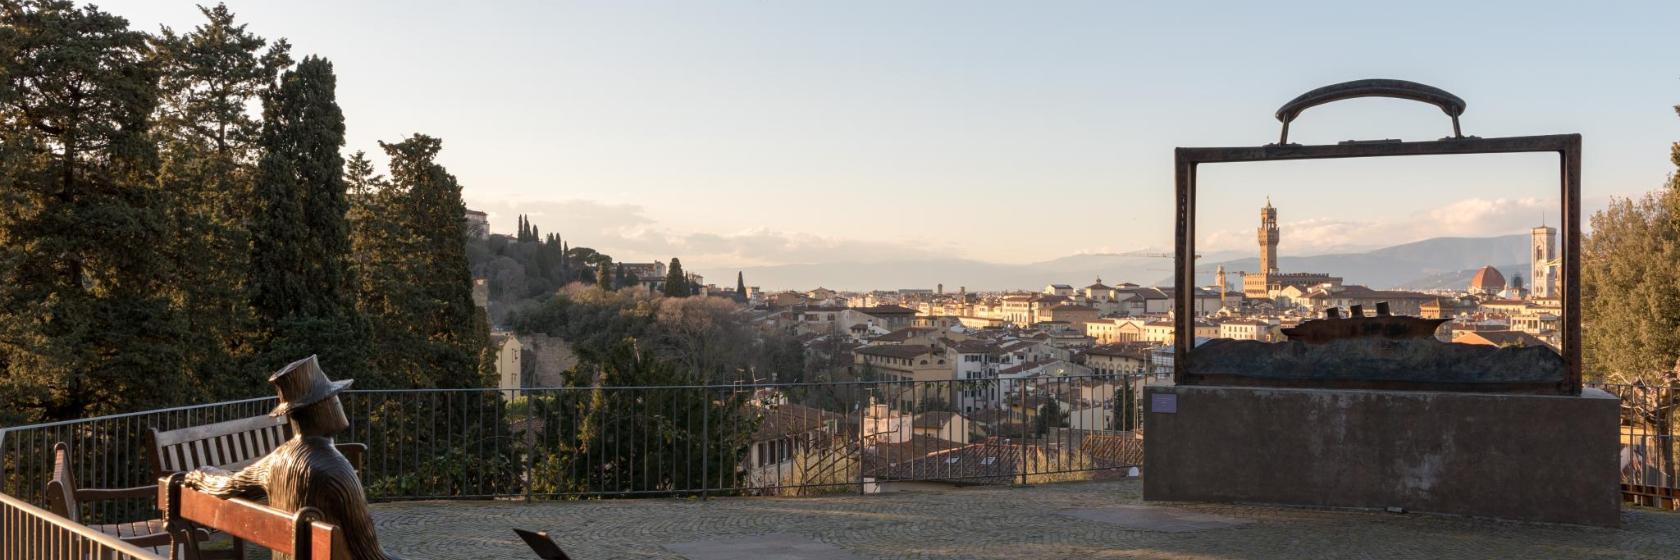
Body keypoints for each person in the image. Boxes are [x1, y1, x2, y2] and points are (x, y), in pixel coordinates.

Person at [185, 355, 399, 560]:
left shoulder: (276, 460)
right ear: (319, 408)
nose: (337, 403)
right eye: (331, 398)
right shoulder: (336, 471)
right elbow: (371, 555)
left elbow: (228, 485)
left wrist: (202, 475)